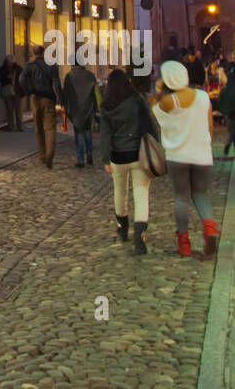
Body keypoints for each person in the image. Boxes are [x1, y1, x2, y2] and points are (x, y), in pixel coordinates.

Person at [152, 59, 218, 257]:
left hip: (178, 155)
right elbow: (210, 126)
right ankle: (209, 228)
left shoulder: (168, 101)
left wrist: (158, 93)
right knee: (201, 194)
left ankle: (184, 243)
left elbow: (155, 115)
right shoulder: (203, 97)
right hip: (201, 153)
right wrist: (205, 145)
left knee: (181, 197)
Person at [99, 68, 157, 254]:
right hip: (138, 153)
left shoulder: (107, 105)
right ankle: (140, 234)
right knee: (141, 193)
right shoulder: (137, 100)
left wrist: (106, 158)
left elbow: (105, 134)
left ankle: (122, 227)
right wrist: (158, 145)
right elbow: (150, 124)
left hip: (118, 155)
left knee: (120, 191)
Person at [19, 46, 63, 169]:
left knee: (38, 128)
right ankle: (50, 156)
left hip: (35, 99)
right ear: (44, 52)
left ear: (33, 53)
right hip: (48, 99)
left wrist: (28, 92)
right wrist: (60, 100)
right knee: (50, 128)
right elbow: (56, 84)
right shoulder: (52, 65)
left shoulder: (29, 65)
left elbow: (21, 79)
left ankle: (42, 156)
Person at [62, 61, 98, 168]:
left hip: (76, 109)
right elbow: (96, 92)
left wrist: (64, 106)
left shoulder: (69, 76)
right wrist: (96, 107)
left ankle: (81, 159)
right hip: (88, 107)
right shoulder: (90, 75)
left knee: (79, 134)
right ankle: (89, 154)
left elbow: (66, 93)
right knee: (88, 132)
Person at [0, 54, 23, 131]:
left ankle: (19, 126)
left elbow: (23, 78)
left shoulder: (18, 68)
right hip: (7, 91)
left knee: (18, 110)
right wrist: (7, 78)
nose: (10, 63)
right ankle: (10, 126)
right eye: (8, 61)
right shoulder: (3, 69)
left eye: (11, 62)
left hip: (17, 91)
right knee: (9, 109)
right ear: (6, 61)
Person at [218, 67, 235, 157]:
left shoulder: (225, 88)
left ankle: (229, 142)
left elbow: (220, 101)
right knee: (233, 130)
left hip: (229, 113)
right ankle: (229, 142)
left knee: (232, 129)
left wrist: (224, 111)